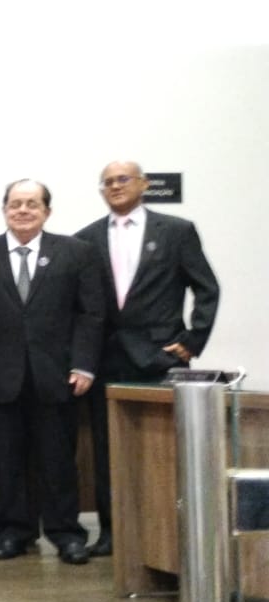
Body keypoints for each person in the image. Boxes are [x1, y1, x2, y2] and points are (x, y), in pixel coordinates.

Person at [74, 160, 219, 556]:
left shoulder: (176, 231)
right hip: (106, 359)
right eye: (107, 182)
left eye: (123, 179)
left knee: (165, 449)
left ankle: (169, 534)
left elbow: (207, 288)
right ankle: (111, 533)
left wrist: (193, 340)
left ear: (143, 184)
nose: (115, 186)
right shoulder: (85, 239)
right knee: (108, 451)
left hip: (161, 359)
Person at [0, 180, 103, 564]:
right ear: (4, 210)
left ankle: (66, 533)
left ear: (47, 211)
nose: (23, 210)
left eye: (31, 204)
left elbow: (91, 314)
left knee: (58, 460)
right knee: (7, 460)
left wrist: (84, 364)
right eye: (15, 204)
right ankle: (15, 531)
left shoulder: (76, 252)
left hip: (57, 375)